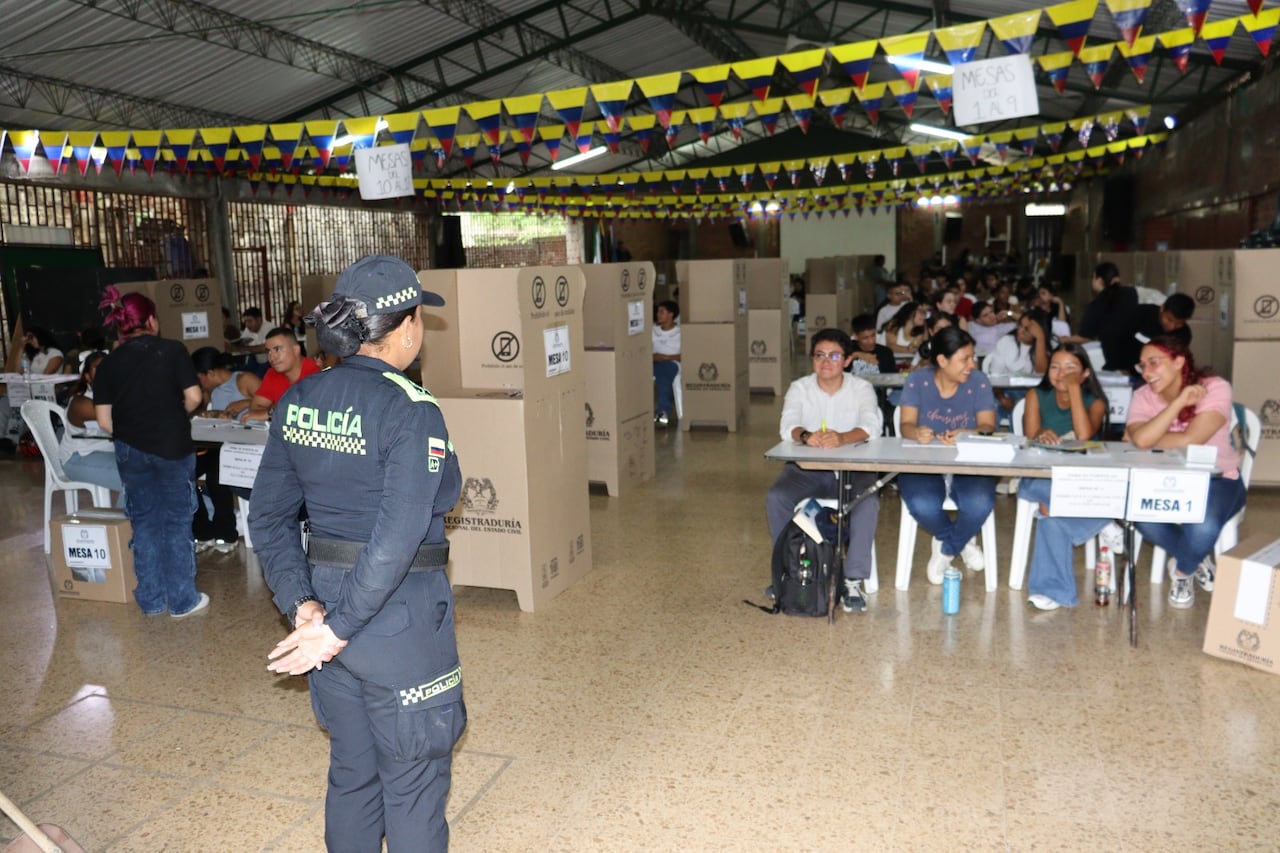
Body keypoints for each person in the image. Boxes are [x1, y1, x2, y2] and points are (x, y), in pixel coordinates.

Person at [250, 254, 465, 852]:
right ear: (406, 326)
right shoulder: (412, 408)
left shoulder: (299, 400)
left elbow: (267, 517)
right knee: (414, 783)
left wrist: (304, 608)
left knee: (353, 773)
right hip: (398, 623)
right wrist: (338, 627)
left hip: (325, 607)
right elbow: (397, 538)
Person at [93, 286, 208, 618]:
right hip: (172, 446)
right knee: (176, 522)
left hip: (130, 450)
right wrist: (173, 417)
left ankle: (152, 600)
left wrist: (134, 432)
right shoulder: (172, 350)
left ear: (120, 325)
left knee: (144, 522)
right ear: (152, 320)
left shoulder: (109, 363)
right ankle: (184, 601)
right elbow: (195, 397)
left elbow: (103, 420)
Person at [766, 328, 883, 612]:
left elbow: (872, 426)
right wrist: (806, 436)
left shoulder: (861, 388)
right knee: (777, 497)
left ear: (847, 360)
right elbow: (787, 426)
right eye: (819, 355)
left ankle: (853, 579)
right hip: (808, 469)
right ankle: (788, 570)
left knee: (867, 503)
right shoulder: (800, 388)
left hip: (854, 468)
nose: (826, 361)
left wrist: (843, 437)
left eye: (834, 356)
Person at [1126, 336, 1245, 608]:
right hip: (1163, 481)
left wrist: (1154, 434)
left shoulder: (1215, 388)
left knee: (1203, 526)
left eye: (1154, 363)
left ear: (1179, 361)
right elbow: (1141, 440)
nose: (1146, 372)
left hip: (1219, 480)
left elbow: (1191, 440)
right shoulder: (1142, 395)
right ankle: (1195, 557)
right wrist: (1179, 403)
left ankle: (1182, 571)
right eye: (1142, 365)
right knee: (1141, 516)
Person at [1016, 344, 1118, 610]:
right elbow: (1030, 436)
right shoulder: (1035, 395)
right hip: (1040, 475)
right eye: (1055, 367)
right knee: (1042, 493)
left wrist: (1074, 390)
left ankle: (1051, 591)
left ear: (1085, 374)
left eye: (1070, 368)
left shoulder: (1094, 402)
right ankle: (1099, 520)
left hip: (1081, 477)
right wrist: (1041, 434)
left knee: (1049, 514)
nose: (1061, 374)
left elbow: (1084, 436)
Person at [897, 326, 998, 583]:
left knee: (979, 502)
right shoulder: (917, 381)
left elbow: (988, 426)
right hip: (924, 461)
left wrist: (967, 432)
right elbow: (905, 424)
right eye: (964, 359)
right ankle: (961, 542)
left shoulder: (979, 382)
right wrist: (916, 432)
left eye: (972, 357)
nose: (971, 364)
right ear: (942, 360)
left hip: (969, 461)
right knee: (922, 503)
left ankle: (946, 548)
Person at [190, 347, 262, 551]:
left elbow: (273, 403)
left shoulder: (244, 380)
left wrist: (246, 403)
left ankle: (225, 533)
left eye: (199, 378)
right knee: (184, 471)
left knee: (216, 476)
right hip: (217, 445)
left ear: (209, 373)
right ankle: (202, 531)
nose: (199, 383)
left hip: (244, 447)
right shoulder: (209, 391)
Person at [59, 350, 124, 496]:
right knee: (135, 477)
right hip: (79, 458)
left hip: (109, 455)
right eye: (98, 367)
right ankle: (128, 519)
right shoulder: (81, 403)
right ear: (87, 376)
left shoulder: (117, 397)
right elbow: (122, 420)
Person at [242, 327, 321, 422]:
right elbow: (255, 408)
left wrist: (271, 413)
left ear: (296, 350)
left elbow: (308, 413)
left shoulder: (316, 373)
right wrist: (276, 411)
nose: (272, 357)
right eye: (268, 351)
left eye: (277, 349)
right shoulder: (273, 373)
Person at [1116, 293, 1195, 382]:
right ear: (1162, 308)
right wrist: (1120, 366)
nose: (1172, 327)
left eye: (1179, 323)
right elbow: (1117, 338)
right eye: (1169, 320)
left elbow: (1174, 361)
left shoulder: (1183, 335)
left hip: (1158, 378)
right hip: (1125, 372)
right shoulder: (1139, 314)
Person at [987, 308, 1052, 417]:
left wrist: (1040, 339)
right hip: (1004, 391)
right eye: (1020, 326)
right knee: (992, 407)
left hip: (1035, 394)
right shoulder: (1006, 342)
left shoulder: (1047, 347)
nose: (1020, 331)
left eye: (1026, 329)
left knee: (1027, 410)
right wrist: (1002, 398)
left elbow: (1041, 372)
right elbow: (995, 377)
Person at [1075, 261, 1139, 371]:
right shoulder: (1131, 293)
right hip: (1136, 358)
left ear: (1099, 280)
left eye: (1093, 278)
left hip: (1114, 362)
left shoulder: (1095, 306)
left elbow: (1084, 337)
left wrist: (1064, 339)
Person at [850, 313, 898, 431]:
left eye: (873, 336)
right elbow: (836, 363)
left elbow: (892, 379)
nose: (871, 341)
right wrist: (856, 355)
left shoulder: (885, 353)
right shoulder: (847, 350)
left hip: (878, 398)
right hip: (850, 398)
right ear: (855, 336)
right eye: (865, 338)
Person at [652, 299, 681, 427]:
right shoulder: (652, 331)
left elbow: (686, 356)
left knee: (663, 374)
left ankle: (662, 412)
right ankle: (661, 412)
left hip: (672, 364)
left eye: (661, 312)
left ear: (671, 314)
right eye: (658, 312)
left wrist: (666, 357)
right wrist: (655, 357)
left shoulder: (680, 333)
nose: (658, 314)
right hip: (653, 362)